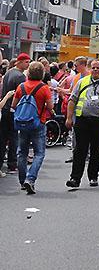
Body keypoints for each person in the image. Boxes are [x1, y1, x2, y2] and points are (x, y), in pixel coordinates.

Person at [65, 59, 99, 189]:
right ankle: (75, 178)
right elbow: (72, 100)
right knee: (80, 150)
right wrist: (69, 118)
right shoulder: (82, 82)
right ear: (90, 69)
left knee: (97, 150)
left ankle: (93, 176)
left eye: (98, 68)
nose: (95, 70)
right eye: (93, 68)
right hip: (83, 120)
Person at [11, 61, 53, 194]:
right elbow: (50, 107)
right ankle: (31, 179)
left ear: (28, 72)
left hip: (22, 123)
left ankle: (22, 181)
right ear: (42, 74)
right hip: (38, 122)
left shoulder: (21, 86)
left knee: (22, 152)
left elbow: (14, 105)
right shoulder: (44, 88)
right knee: (39, 153)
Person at [0, 52, 30, 174]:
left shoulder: (8, 73)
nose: (28, 65)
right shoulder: (20, 77)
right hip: (13, 110)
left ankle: (1, 162)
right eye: (27, 62)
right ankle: (12, 164)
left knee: (2, 138)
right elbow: (21, 96)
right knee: (13, 138)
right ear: (20, 62)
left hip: (5, 109)